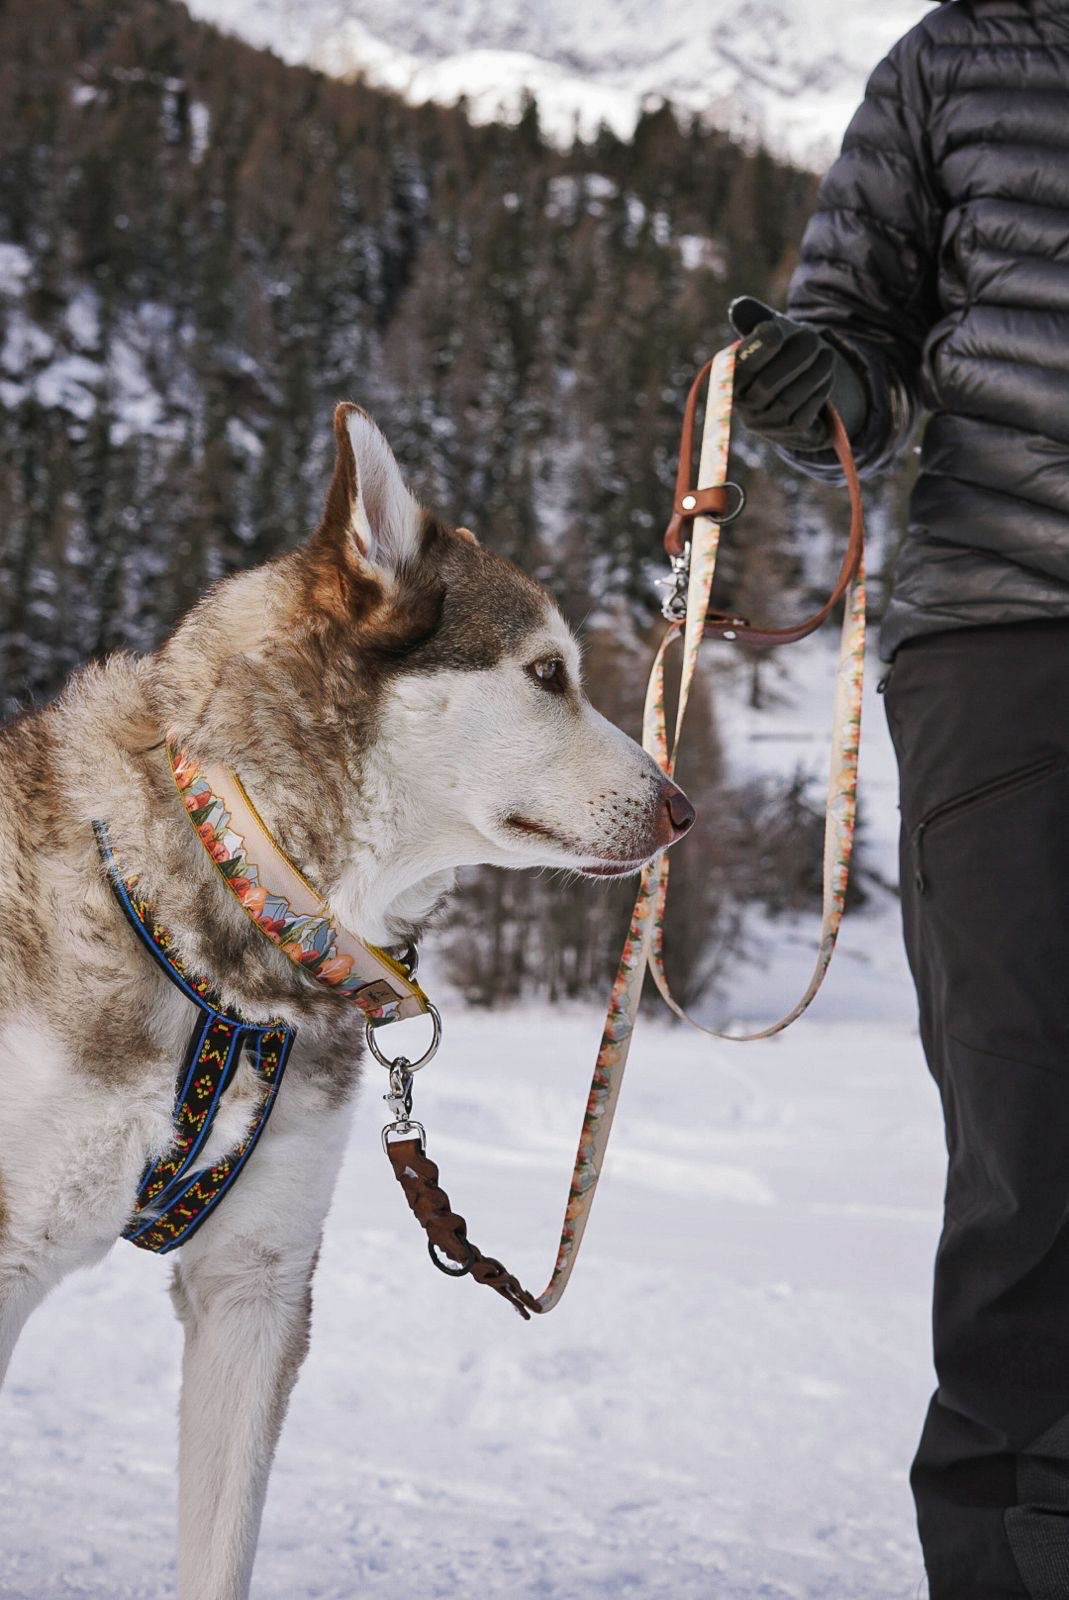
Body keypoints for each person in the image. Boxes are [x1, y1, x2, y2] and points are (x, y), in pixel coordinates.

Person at [726, 2, 1069, 1595]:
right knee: (1033, 1132)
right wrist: (812, 386)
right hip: (1011, 638)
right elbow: (856, 353)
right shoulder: (954, 59)